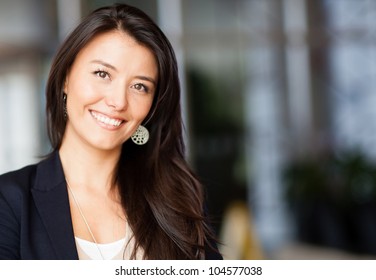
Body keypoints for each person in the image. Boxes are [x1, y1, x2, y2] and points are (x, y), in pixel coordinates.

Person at [0, 3, 222, 260]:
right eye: (102, 73)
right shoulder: (9, 201)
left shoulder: (181, 199)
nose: (118, 101)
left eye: (139, 86)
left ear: (152, 105)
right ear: (65, 79)